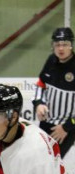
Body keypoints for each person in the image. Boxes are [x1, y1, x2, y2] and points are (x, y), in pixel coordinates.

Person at [33, 28, 75, 163]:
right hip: (46, 122)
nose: (61, 48)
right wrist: (39, 103)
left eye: (65, 44)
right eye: (57, 44)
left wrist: (66, 127)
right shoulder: (51, 60)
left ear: (71, 45)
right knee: (39, 162)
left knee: (52, 164)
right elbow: (41, 84)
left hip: (66, 128)